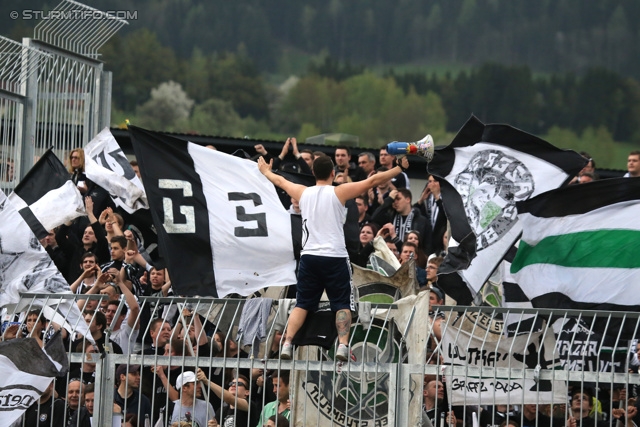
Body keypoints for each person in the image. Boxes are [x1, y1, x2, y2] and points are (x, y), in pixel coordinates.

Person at [258, 153, 410, 362]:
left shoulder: (303, 192)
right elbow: (373, 181)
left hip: (309, 256)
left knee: (302, 303)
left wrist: (266, 170)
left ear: (313, 173)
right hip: (334, 257)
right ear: (332, 173)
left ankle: (287, 342)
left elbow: (280, 180)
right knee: (341, 304)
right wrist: (400, 167)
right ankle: (343, 345)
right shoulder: (339, 191)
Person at [196, 369, 261, 427]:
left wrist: (206, 381)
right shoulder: (222, 411)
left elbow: (230, 398)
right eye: (231, 383)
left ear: (247, 392)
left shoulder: (250, 405)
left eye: (239, 384)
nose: (233, 385)